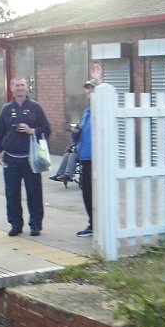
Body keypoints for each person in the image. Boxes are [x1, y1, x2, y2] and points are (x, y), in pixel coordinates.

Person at [0, 78, 52, 237]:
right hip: (10, 159)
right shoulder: (6, 109)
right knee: (12, 193)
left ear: (27, 88)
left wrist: (33, 131)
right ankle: (15, 224)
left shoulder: (35, 108)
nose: (19, 88)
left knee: (34, 192)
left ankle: (36, 225)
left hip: (31, 159)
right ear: (12, 88)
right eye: (16, 85)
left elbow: (47, 129)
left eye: (22, 85)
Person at [74, 80, 96, 238]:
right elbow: (80, 135)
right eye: (87, 89)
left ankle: (96, 224)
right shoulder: (87, 111)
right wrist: (75, 131)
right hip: (86, 158)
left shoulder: (100, 110)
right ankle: (92, 224)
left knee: (95, 194)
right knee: (87, 193)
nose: (88, 92)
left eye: (92, 88)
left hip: (97, 159)